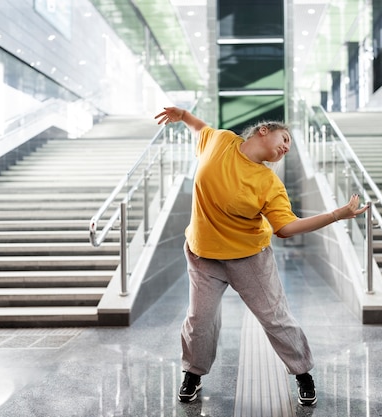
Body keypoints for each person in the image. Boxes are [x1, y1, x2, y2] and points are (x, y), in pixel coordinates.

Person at [155, 106, 368, 406]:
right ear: (263, 130)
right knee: (199, 320)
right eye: (284, 139)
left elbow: (285, 227)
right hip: (203, 254)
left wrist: (336, 215)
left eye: (289, 148)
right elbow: (199, 127)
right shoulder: (220, 141)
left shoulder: (268, 182)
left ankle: (302, 373)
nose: (286, 148)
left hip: (249, 258)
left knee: (275, 318)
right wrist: (183, 115)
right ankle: (193, 373)